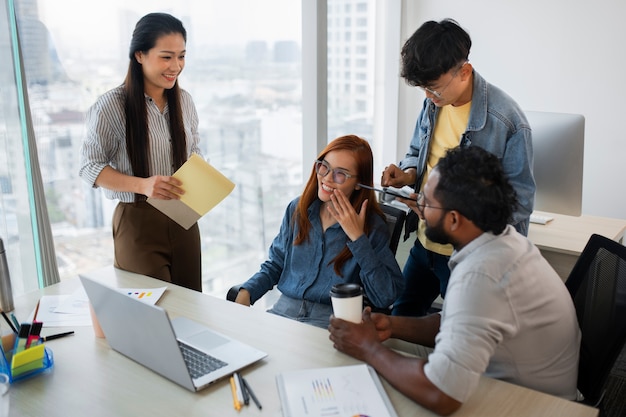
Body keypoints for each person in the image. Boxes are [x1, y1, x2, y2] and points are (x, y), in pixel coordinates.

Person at [329, 146, 580, 416]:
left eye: (426, 199)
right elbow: (459, 322)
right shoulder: (501, 240)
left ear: (453, 219)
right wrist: (391, 324)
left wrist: (368, 349)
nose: (417, 203)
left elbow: (442, 393)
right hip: (525, 388)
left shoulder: (481, 276)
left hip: (530, 405)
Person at [381, 19, 535, 316]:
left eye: (434, 89)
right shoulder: (434, 104)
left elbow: (520, 203)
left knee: (463, 340)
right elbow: (417, 152)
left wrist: (451, 214)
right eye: (424, 89)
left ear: (464, 71)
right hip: (426, 245)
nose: (428, 97)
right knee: (398, 323)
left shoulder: (508, 121)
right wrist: (408, 174)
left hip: (472, 257)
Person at [79, 13, 203, 291]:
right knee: (152, 314)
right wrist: (144, 185)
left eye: (181, 56)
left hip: (184, 218)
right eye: (166, 57)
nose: (176, 66)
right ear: (139, 55)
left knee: (193, 309)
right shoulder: (111, 106)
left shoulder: (185, 101)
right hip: (138, 222)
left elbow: (194, 152)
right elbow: (89, 167)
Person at [234, 135, 404, 328]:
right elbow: (276, 265)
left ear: (359, 183)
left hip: (330, 325)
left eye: (341, 173)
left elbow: (385, 297)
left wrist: (358, 239)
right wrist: (246, 292)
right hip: (282, 314)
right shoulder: (298, 209)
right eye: (324, 166)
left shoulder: (372, 226)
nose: (327, 178)